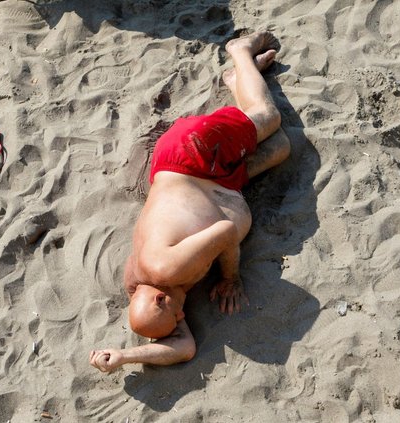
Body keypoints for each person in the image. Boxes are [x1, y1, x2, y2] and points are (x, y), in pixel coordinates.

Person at [90, 31, 291, 372]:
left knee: (268, 118)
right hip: (209, 182)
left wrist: (231, 278)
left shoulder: (166, 271)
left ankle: (239, 52)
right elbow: (182, 348)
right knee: (280, 148)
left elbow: (226, 231)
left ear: (159, 298)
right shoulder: (144, 290)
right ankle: (240, 79)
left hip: (190, 156)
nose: (183, 318)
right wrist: (126, 357)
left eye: (175, 316)